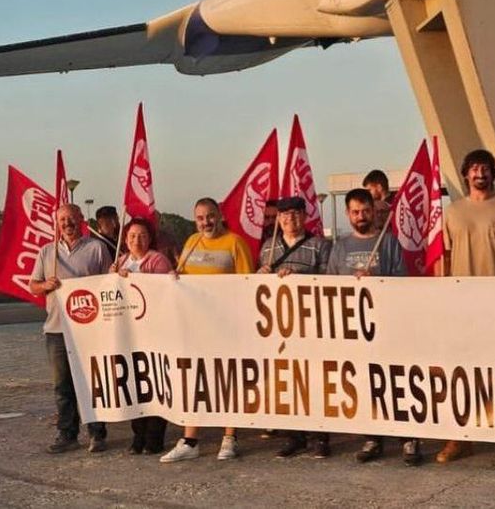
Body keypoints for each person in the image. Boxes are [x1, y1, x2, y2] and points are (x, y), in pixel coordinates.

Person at [437, 149, 495, 465]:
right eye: (474, 168)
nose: (480, 173)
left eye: (485, 168)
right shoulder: (452, 211)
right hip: (462, 307)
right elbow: (443, 257)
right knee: (462, 373)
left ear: (493, 173)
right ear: (466, 174)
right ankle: (460, 438)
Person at [326, 189, 421, 466]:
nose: (361, 216)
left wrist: (376, 279)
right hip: (355, 328)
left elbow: (401, 280)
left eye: (365, 211)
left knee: (395, 381)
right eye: (355, 212)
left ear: (373, 211)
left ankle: (408, 438)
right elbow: (329, 284)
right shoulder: (340, 247)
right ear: (347, 214)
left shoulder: (389, 242)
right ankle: (373, 437)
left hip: (387, 326)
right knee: (366, 383)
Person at [161, 197, 255, 463]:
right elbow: (183, 278)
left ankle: (230, 437)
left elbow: (248, 284)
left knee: (228, 379)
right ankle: (190, 441)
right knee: (194, 379)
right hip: (196, 327)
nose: (206, 222)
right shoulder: (192, 242)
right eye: (201, 218)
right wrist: (174, 279)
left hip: (227, 326)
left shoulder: (235, 243)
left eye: (211, 216)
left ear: (220, 215)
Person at [29, 204, 112, 454]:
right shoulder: (47, 252)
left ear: (81, 219)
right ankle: (67, 433)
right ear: (57, 224)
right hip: (57, 329)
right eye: (62, 219)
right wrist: (45, 285)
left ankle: (97, 433)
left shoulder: (96, 248)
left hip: (90, 329)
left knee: (93, 383)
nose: (67, 223)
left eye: (71, 218)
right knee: (62, 386)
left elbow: (109, 283)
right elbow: (33, 285)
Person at [259, 196, 333, 458]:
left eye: (295, 213)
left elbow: (328, 280)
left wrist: (298, 280)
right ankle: (294, 435)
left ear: (305, 216)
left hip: (310, 322)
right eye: (285, 214)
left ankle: (319, 436)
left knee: (314, 379)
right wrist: (261, 275)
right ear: (279, 219)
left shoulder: (319, 245)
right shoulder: (268, 247)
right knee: (287, 380)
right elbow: (257, 285)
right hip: (280, 325)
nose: (290, 219)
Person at [110, 218, 174, 455]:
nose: (137, 240)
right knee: (134, 384)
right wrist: (112, 277)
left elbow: (162, 291)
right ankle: (138, 434)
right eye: (132, 236)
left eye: (142, 235)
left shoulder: (158, 260)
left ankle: (154, 436)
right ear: (126, 239)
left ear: (150, 239)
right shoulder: (119, 261)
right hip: (129, 333)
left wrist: (134, 279)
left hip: (154, 332)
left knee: (154, 382)